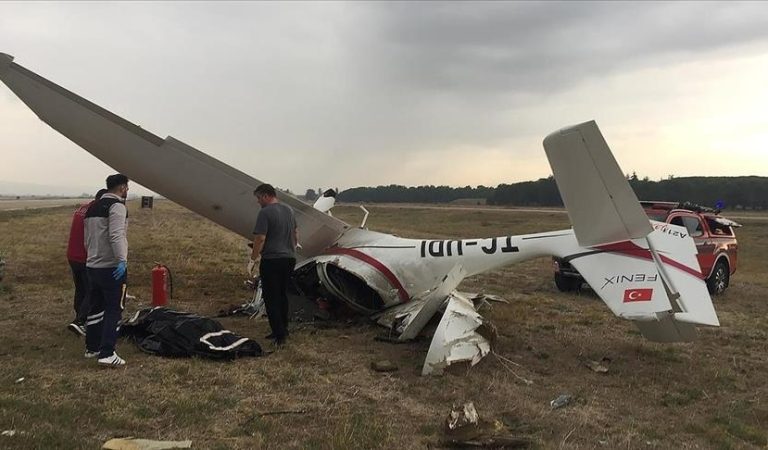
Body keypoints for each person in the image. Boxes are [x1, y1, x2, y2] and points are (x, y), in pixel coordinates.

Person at [83, 174, 130, 366]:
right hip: (111, 267)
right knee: (114, 309)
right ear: (122, 188)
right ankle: (107, 353)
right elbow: (116, 235)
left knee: (95, 307)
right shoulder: (117, 206)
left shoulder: (92, 207)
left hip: (92, 265)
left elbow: (87, 238)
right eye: (127, 187)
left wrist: (91, 256)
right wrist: (122, 260)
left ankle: (91, 348)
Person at [249, 184, 297, 345]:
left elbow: (260, 238)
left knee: (271, 297)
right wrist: (291, 248)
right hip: (289, 259)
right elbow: (295, 233)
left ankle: (279, 336)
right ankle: (284, 329)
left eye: (258, 198)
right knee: (283, 295)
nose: (257, 202)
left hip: (272, 260)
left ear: (265, 196)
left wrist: (253, 258)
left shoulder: (265, 212)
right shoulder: (289, 210)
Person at [66, 189, 107, 337]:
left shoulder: (82, 208)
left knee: (80, 289)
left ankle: (78, 318)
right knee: (92, 289)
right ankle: (80, 321)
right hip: (85, 257)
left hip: (72, 255)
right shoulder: (95, 212)